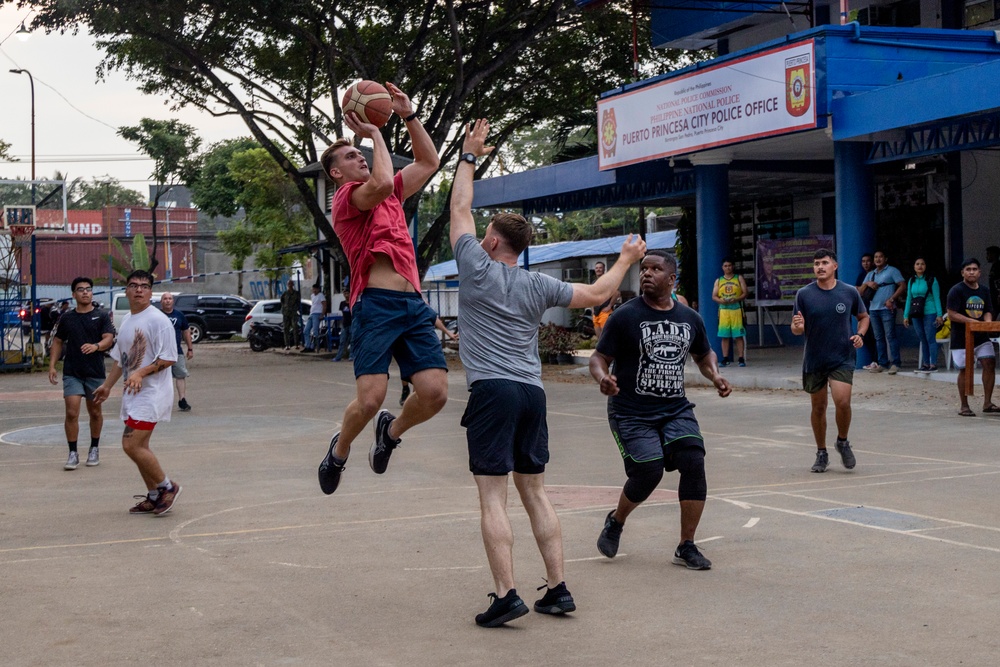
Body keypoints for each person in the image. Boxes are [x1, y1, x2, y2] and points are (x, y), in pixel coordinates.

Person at [451, 119, 646, 627]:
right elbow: (599, 294)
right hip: (531, 393)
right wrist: (626, 257)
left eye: (485, 234)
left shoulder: (475, 264)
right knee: (534, 491)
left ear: (492, 242)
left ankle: (506, 594)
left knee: (492, 496)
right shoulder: (538, 285)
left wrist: (468, 156)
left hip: (492, 391)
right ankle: (558, 589)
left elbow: (458, 208)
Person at [316, 82, 447, 495]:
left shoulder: (389, 192)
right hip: (376, 304)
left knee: (435, 393)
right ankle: (340, 449)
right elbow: (384, 183)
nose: (360, 158)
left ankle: (391, 432)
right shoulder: (346, 198)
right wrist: (375, 134)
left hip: (412, 304)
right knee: (370, 399)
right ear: (337, 172)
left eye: (361, 154)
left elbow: (430, 160)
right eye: (352, 156)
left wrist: (408, 116)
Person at [590, 249, 731, 574]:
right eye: (643, 269)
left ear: (672, 279)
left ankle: (686, 545)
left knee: (694, 461)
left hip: (674, 408)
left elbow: (704, 352)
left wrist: (715, 374)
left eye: (655, 269)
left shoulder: (689, 318)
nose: (646, 274)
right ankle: (616, 520)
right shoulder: (625, 315)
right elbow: (599, 358)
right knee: (649, 471)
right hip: (630, 410)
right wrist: (603, 378)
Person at [93, 270, 182, 516]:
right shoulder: (128, 321)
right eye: (134, 285)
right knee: (139, 446)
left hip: (151, 394)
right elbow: (120, 360)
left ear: (151, 292)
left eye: (144, 286)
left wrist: (140, 374)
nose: (139, 290)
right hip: (133, 394)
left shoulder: (158, 320)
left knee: (131, 445)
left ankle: (167, 487)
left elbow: (169, 358)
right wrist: (107, 386)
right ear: (127, 290)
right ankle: (154, 496)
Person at [791, 249, 869, 472]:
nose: (820, 267)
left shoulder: (849, 292)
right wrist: (797, 327)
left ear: (835, 266)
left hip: (842, 357)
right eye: (816, 263)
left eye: (824, 262)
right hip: (815, 358)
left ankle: (842, 441)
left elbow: (863, 317)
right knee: (819, 407)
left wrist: (860, 335)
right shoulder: (804, 294)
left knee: (842, 401)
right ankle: (821, 452)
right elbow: (797, 327)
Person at [48, 277, 116, 470]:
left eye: (88, 289)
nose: (85, 292)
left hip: (94, 372)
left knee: (95, 412)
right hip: (72, 372)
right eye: (81, 289)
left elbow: (109, 339)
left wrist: (96, 346)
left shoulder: (101, 316)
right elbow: (58, 341)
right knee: (71, 412)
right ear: (73, 294)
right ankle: (72, 452)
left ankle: (94, 448)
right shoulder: (67, 318)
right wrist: (52, 365)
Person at [946, 258, 997, 417]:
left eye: (975, 269)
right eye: (968, 269)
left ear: (979, 272)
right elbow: (951, 314)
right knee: (964, 370)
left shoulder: (984, 291)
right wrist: (973, 322)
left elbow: (988, 310)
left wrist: (987, 324)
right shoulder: (956, 290)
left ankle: (987, 403)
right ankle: (964, 405)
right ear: (963, 272)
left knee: (989, 363)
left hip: (981, 337)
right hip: (961, 338)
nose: (972, 272)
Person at [862, 250, 905, 374]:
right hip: (873, 309)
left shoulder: (892, 271)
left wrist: (892, 299)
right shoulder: (871, 274)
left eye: (880, 257)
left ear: (886, 259)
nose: (878, 259)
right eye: (876, 257)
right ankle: (882, 363)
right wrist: (867, 283)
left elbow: (902, 285)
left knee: (890, 336)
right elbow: (860, 291)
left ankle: (896, 363)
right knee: (878, 337)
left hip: (887, 309)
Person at [399, 317, 457, 405]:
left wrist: (448, 333)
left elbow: (434, 318)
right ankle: (405, 388)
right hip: (404, 339)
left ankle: (416, 399)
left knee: (418, 371)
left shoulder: (422, 306)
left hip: (419, 343)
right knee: (406, 368)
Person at [903, 257, 943, 372]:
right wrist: (906, 315)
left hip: (930, 312)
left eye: (922, 264)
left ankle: (933, 364)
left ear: (926, 266)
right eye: (917, 264)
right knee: (922, 338)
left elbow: (937, 297)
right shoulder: (911, 280)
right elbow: (909, 298)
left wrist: (939, 314)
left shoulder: (931, 280)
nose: (920, 266)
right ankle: (925, 363)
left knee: (930, 338)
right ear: (914, 266)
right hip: (916, 313)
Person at [159, 292, 194, 411]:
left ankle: (182, 400)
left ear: (173, 301)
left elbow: (186, 332)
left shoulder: (179, 315)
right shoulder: (156, 315)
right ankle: (161, 402)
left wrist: (190, 349)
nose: (167, 301)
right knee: (161, 378)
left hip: (176, 351)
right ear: (161, 301)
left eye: (170, 299)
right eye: (165, 299)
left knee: (180, 375)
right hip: (160, 352)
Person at [712, 257, 747, 366]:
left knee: (738, 335)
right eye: (725, 266)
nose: (728, 268)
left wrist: (736, 299)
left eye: (729, 265)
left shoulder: (738, 278)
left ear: (733, 266)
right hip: (723, 311)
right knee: (724, 335)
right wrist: (721, 301)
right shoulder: (719, 280)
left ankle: (741, 358)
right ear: (722, 267)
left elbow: (745, 293)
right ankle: (725, 358)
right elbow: (714, 296)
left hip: (737, 309)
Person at [855, 253, 878, 369]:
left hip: (875, 308)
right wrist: (866, 283)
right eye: (863, 261)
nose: (866, 263)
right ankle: (873, 360)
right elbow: (858, 291)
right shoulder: (861, 276)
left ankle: (877, 360)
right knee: (866, 336)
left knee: (876, 336)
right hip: (865, 310)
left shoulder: (876, 274)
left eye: (868, 261)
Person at [592, 261, 618, 339]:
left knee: (606, 336)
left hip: (605, 312)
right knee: (599, 338)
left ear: (604, 269)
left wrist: (609, 305)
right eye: (596, 268)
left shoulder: (608, 281)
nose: (598, 269)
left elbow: (617, 293)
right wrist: (592, 308)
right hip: (596, 313)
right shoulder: (594, 282)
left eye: (600, 268)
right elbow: (591, 296)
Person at [302, 284, 326, 353]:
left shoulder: (321, 296)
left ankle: (314, 346)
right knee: (306, 330)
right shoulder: (312, 296)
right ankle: (307, 346)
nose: (314, 290)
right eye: (313, 289)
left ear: (318, 289)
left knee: (315, 331)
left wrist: (322, 314)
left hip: (317, 314)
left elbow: (324, 305)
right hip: (311, 314)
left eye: (316, 289)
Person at [280, 279, 302, 350]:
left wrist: (297, 309)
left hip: (293, 313)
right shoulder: (285, 293)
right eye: (289, 284)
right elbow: (282, 301)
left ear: (293, 285)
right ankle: (287, 345)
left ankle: (297, 344)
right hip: (286, 313)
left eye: (291, 284)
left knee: (295, 328)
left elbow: (298, 302)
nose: (290, 285)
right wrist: (284, 308)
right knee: (286, 329)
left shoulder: (296, 293)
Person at [987, 245, 1000, 317]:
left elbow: (998, 282)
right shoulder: (994, 266)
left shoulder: (997, 267)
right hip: (993, 297)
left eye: (989, 254)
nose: (987, 256)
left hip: (997, 297)